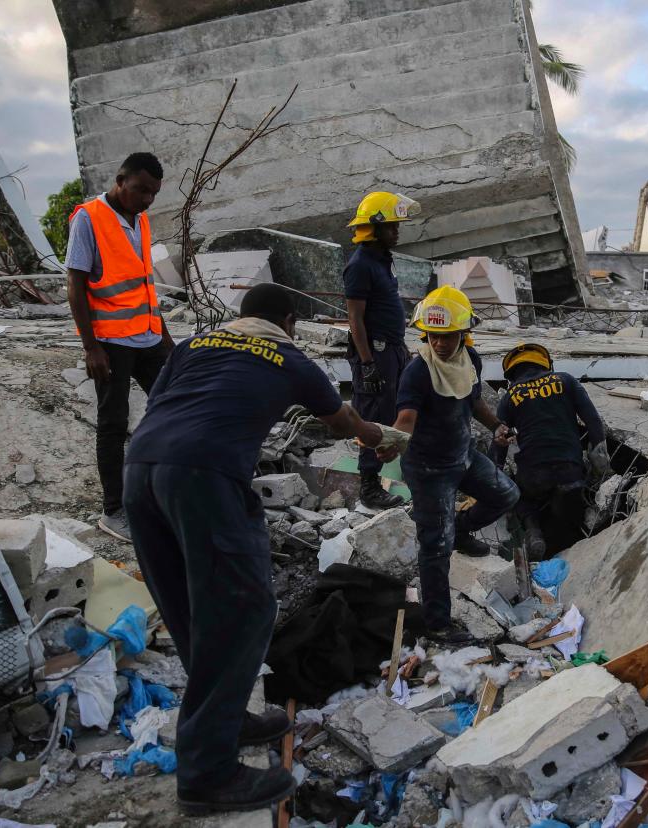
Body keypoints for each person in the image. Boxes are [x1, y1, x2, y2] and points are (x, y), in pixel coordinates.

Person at [122, 283, 404, 815]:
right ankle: (206, 774)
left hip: (140, 469)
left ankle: (224, 721)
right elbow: (343, 422)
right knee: (245, 609)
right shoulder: (290, 357)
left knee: (187, 604)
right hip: (205, 474)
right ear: (290, 321)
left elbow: (161, 404)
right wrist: (381, 436)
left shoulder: (194, 346)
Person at [381, 286, 520, 645]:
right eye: (434, 336)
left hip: (464, 455)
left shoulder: (469, 360)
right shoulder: (417, 372)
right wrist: (391, 444)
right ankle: (438, 625)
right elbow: (406, 418)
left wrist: (497, 427)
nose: (440, 344)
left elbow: (473, 401)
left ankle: (460, 530)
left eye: (448, 336)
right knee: (435, 547)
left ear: (463, 333)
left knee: (506, 495)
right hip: (429, 470)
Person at [65, 151, 173, 543]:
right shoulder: (88, 218)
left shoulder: (140, 220)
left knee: (174, 405)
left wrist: (166, 339)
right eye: (141, 189)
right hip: (110, 342)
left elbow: (144, 284)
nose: (147, 199)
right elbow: (75, 284)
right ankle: (114, 510)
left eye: (154, 193)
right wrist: (90, 347)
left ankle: (163, 487)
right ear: (120, 179)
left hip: (148, 336)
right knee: (112, 423)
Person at [494, 343, 609, 558]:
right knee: (575, 499)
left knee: (520, 495)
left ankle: (532, 528)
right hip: (570, 470)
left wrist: (497, 475)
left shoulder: (510, 397)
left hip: (533, 476)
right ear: (546, 365)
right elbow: (593, 423)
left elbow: (498, 442)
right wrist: (601, 464)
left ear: (512, 374)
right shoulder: (566, 381)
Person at [343, 191, 420, 511]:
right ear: (374, 229)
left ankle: (412, 475)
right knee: (372, 416)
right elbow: (355, 319)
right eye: (391, 227)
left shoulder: (381, 261)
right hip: (375, 353)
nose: (397, 231)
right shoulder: (360, 265)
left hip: (392, 350)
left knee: (397, 412)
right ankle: (369, 487)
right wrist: (368, 363)